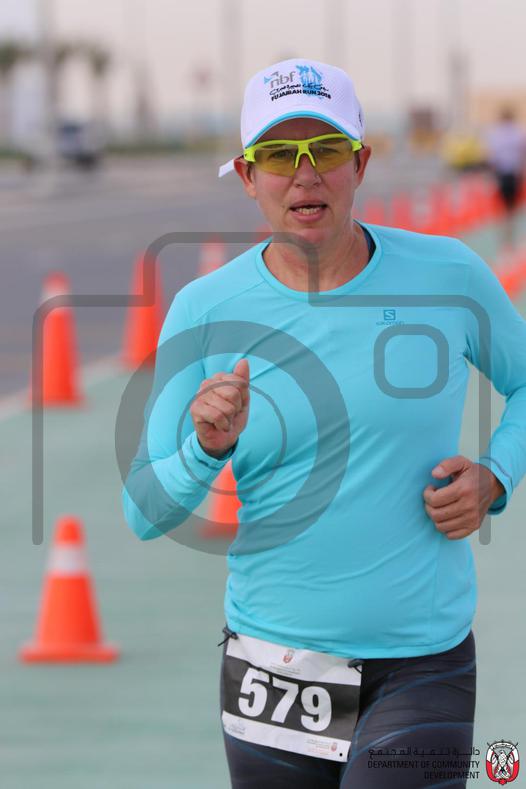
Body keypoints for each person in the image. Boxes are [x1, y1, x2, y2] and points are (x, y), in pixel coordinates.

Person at [122, 58, 526, 788]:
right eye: (280, 154)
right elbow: (145, 510)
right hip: (271, 669)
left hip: (421, 661)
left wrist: (496, 474)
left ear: (361, 163)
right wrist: (205, 448)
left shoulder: (449, 275)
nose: (305, 176)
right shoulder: (205, 309)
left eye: (327, 150)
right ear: (249, 176)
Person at [485, 106, 526, 249]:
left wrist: (491, 176)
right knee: (511, 207)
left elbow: (492, 157)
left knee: (502, 207)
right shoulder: (518, 132)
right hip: (513, 174)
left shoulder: (495, 133)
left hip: (501, 174)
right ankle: (509, 237)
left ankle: (503, 239)